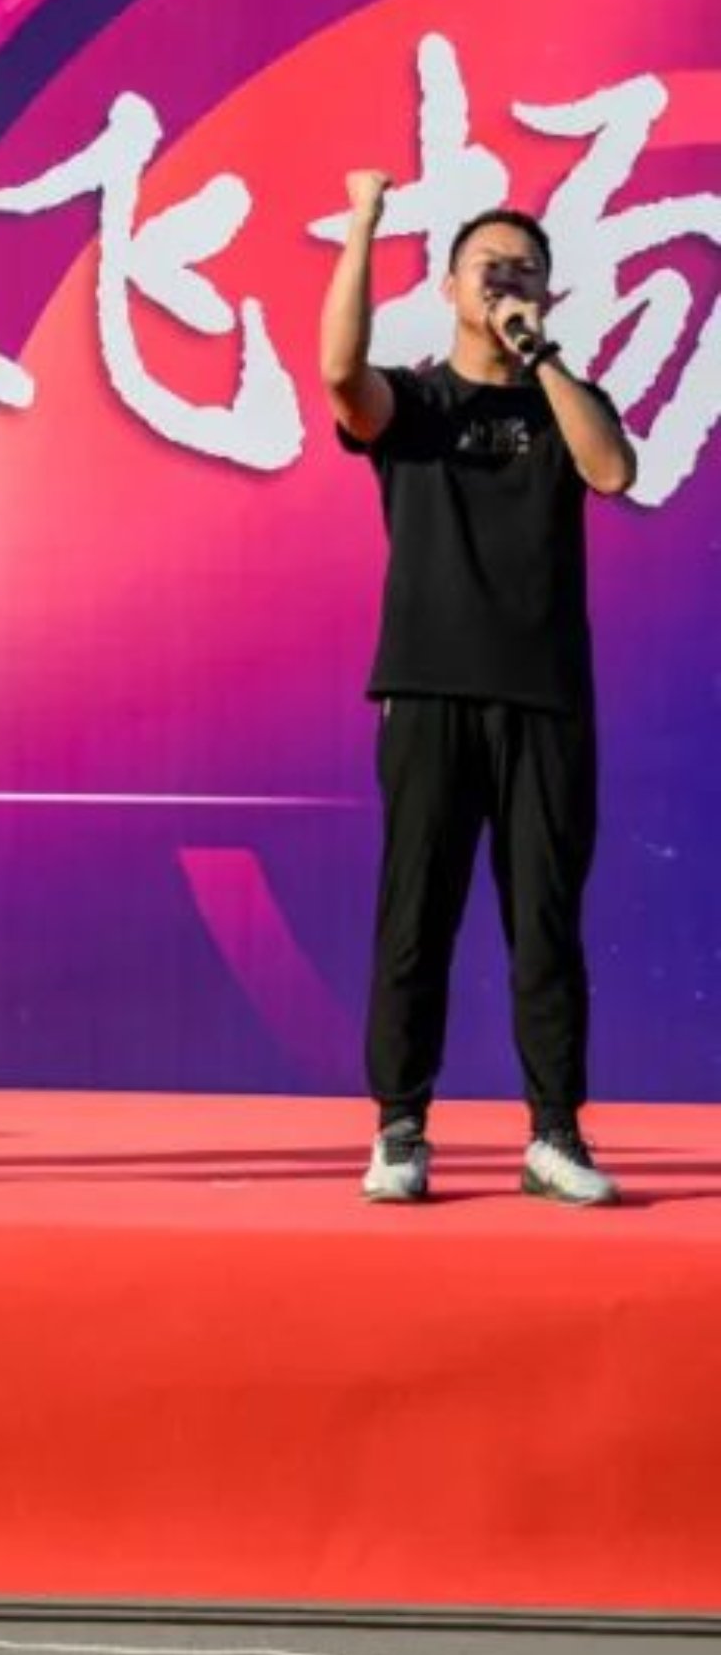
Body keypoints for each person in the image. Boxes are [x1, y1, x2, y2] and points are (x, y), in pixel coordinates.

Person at [321, 172, 635, 1207]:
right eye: (487, 268)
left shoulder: (564, 400)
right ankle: (400, 1129)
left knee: (545, 923)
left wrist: (541, 357)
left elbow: (611, 472)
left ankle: (554, 1134)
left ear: (548, 293)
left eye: (525, 271)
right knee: (416, 917)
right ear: (449, 287)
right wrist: (362, 224)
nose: (506, 282)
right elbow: (339, 374)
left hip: (545, 700)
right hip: (427, 693)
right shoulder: (416, 403)